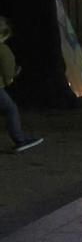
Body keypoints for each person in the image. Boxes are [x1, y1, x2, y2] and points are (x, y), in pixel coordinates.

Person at [0, 17, 44, 154]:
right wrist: (12, 77)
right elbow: (7, 72)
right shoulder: (3, 50)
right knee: (10, 109)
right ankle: (19, 139)